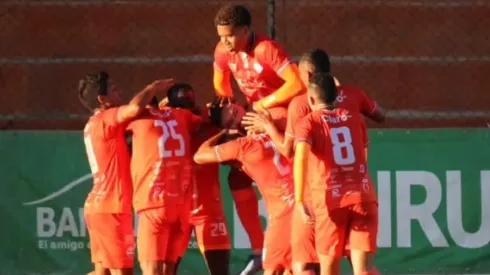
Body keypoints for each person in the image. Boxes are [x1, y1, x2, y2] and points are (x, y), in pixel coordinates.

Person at [213, 5, 304, 272]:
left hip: (284, 117)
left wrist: (265, 105)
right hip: (257, 118)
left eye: (229, 36)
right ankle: (257, 249)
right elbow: (221, 86)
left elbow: (296, 84)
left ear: (244, 30)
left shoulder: (267, 49)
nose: (224, 42)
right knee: (237, 176)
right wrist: (231, 111)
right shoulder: (222, 52)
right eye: (220, 36)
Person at [79, 71, 173, 275]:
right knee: (122, 272)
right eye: (113, 90)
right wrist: (152, 88)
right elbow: (134, 109)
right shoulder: (106, 117)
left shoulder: (96, 123)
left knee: (102, 272)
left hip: (99, 206)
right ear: (102, 100)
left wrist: (158, 110)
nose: (119, 92)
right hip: (111, 207)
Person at [194, 103, 294, 275]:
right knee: (298, 266)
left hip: (283, 212)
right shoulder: (274, 129)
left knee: (273, 268)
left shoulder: (243, 147)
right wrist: (268, 126)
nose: (233, 112)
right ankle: (257, 248)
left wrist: (225, 132)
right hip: (305, 202)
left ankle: (257, 250)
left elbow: (199, 155)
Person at [294, 74, 379, 275]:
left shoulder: (308, 122)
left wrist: (299, 200)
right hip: (363, 196)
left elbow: (301, 158)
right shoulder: (355, 117)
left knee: (329, 269)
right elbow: (364, 153)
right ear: (337, 95)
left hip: (331, 201)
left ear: (311, 99)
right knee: (364, 270)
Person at [126, 84, 202, 275]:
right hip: (181, 206)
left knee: (151, 270)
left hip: (154, 203)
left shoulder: (138, 119)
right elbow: (203, 115)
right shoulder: (183, 116)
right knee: (168, 270)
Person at [163, 84, 232, 275]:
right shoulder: (165, 124)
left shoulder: (209, 122)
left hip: (208, 210)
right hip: (177, 211)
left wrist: (225, 126)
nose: (187, 112)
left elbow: (230, 149)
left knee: (220, 272)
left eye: (190, 106)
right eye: (180, 108)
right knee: (164, 271)